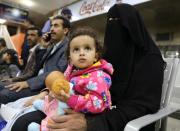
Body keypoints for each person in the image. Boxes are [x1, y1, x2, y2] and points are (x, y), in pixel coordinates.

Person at [12, 4, 164, 131]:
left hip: (113, 122)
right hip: (79, 105)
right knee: (22, 122)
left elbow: (141, 107)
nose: (115, 30)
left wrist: (91, 124)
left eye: (120, 24)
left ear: (135, 27)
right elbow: (75, 77)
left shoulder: (149, 59)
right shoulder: (106, 56)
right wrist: (48, 91)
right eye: (110, 23)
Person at [27, 27, 113, 131]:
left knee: (59, 124)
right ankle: (46, 107)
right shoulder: (73, 69)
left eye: (87, 48)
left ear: (96, 56)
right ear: (70, 58)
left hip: (84, 115)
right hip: (68, 105)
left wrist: (70, 99)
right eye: (76, 49)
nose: (82, 53)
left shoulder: (98, 77)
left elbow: (98, 104)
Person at [0, 16, 71, 104]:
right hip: (34, 80)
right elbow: (37, 68)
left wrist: (28, 83)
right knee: (1, 85)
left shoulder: (68, 48)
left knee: (4, 94)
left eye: (56, 26)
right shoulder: (51, 45)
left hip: (43, 86)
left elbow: (56, 72)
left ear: (65, 30)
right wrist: (43, 47)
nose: (52, 29)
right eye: (51, 26)